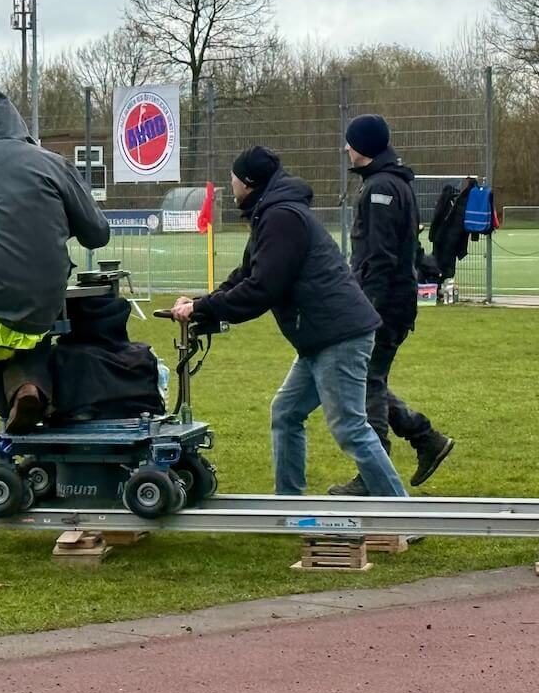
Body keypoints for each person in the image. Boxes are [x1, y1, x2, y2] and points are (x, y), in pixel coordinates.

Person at [171, 146, 406, 498]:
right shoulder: (271, 212)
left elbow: (263, 288)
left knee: (350, 427)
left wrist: (205, 309)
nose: (230, 183)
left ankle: (402, 515)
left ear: (248, 183)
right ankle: (289, 505)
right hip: (319, 336)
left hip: (337, 335)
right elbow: (247, 273)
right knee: (286, 412)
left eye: (233, 177)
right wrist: (202, 304)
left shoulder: (281, 217)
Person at [0, 86, 109, 432]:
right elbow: (97, 234)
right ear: (19, 126)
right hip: (48, 289)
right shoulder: (54, 163)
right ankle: (30, 391)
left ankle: (10, 402)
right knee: (36, 328)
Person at [331, 115, 455, 494]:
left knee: (364, 383)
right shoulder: (394, 184)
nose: (346, 149)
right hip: (391, 303)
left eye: (350, 143)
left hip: (382, 306)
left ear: (364, 147)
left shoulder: (381, 188)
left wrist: (365, 311)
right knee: (370, 381)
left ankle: (374, 473)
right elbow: (409, 247)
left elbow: (381, 257)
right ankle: (425, 438)